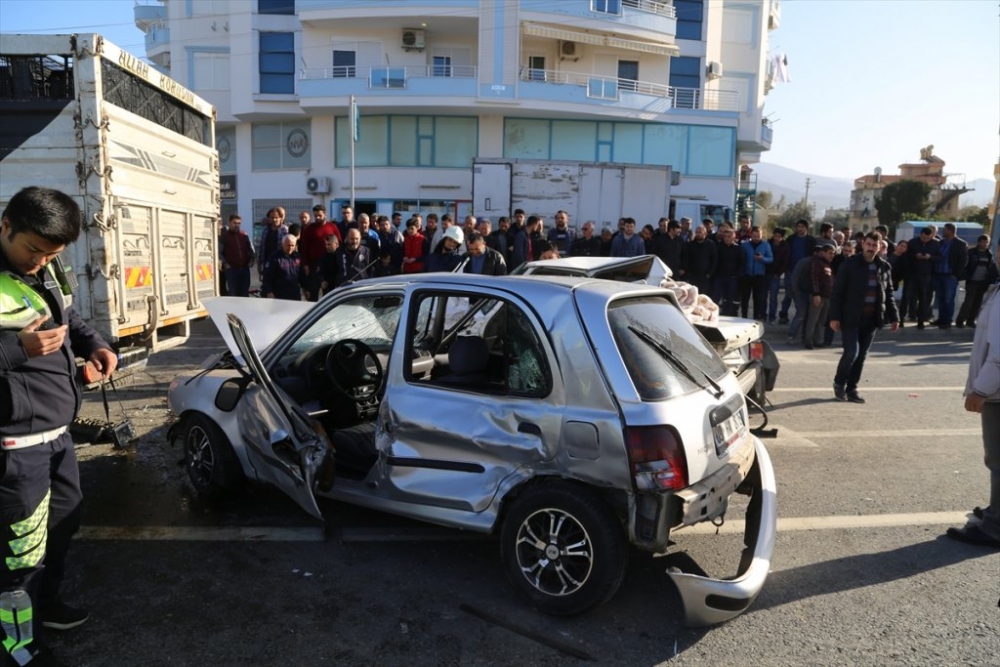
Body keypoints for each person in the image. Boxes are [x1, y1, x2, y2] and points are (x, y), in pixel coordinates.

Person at [0, 186, 119, 666]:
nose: (40, 261)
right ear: (5, 225)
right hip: (14, 447)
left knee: (62, 525)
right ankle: (17, 648)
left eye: (51, 254)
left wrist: (97, 345)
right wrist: (16, 350)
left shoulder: (46, 266)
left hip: (57, 438)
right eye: (33, 250)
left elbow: (69, 318)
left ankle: (43, 609)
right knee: (19, 556)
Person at [946, 246, 1000, 548]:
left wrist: (981, 389)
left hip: (996, 392)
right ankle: (996, 512)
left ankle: (995, 528)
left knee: (998, 459)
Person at [829, 231, 899, 403]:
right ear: (862, 245)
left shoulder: (884, 267)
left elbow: (888, 293)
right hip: (850, 317)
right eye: (868, 244)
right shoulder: (850, 264)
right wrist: (834, 317)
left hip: (871, 319)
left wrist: (894, 316)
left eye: (875, 245)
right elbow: (837, 292)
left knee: (861, 356)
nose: (871, 248)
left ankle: (852, 388)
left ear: (880, 247)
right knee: (851, 352)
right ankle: (839, 383)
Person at [298, 205, 339, 301]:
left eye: (319, 215)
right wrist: (305, 264)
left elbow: (339, 243)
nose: (317, 218)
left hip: (329, 265)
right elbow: (304, 248)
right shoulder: (309, 228)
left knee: (329, 295)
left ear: (325, 214)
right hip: (313, 265)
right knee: (312, 294)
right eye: (315, 216)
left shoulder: (332, 227)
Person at [779, 219, 816, 324]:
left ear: (806, 228)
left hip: (804, 273)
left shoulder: (811, 241)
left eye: (802, 227)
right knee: (788, 294)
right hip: (790, 271)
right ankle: (783, 315)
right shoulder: (791, 239)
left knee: (800, 296)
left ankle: (799, 316)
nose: (800, 229)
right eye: (798, 226)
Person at [932, 222, 969, 329]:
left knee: (948, 298)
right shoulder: (941, 242)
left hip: (950, 275)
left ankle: (947, 320)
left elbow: (963, 261)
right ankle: (941, 318)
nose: (943, 231)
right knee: (940, 298)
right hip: (939, 274)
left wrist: (955, 274)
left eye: (944, 229)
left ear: (950, 230)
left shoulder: (960, 244)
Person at [956, 236, 997, 328]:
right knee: (968, 301)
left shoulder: (989, 254)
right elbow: (965, 265)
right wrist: (965, 276)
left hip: (983, 282)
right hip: (972, 280)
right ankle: (960, 320)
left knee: (977, 302)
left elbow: (990, 268)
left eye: (987, 242)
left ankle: (970, 320)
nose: (985, 244)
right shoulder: (971, 252)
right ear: (979, 242)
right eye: (983, 242)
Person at [802, 241, 836, 349]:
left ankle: (816, 340)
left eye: (833, 253)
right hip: (818, 296)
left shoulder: (828, 265)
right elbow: (814, 279)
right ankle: (808, 341)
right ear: (823, 253)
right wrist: (815, 294)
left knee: (821, 320)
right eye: (829, 253)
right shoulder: (817, 263)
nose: (832, 255)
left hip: (827, 296)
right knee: (813, 319)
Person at [738, 226, 772, 320]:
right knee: (745, 298)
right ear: (751, 235)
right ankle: (744, 317)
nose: (756, 238)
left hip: (759, 276)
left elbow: (771, 259)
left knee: (758, 299)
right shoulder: (745, 245)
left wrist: (762, 259)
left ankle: (755, 318)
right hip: (747, 275)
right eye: (754, 236)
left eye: (758, 236)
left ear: (761, 235)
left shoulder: (766, 245)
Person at [219, 213, 256, 297]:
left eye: (238, 223)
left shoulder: (244, 235)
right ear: (229, 223)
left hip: (244, 270)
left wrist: (252, 260)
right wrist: (225, 264)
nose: (236, 225)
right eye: (234, 223)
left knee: (244, 293)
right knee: (233, 293)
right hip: (232, 270)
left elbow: (252, 250)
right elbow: (219, 252)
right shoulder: (225, 236)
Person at [261, 234, 304, 300]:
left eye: (292, 245)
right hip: (279, 294)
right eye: (288, 245)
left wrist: (306, 288)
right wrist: (269, 291)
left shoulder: (298, 257)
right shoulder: (274, 257)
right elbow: (267, 276)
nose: (290, 248)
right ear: (282, 244)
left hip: (294, 294)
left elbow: (302, 275)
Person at [682, 223, 718, 298]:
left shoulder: (710, 245)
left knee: (703, 297)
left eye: (700, 232)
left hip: (705, 277)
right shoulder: (690, 245)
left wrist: (709, 274)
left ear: (705, 233)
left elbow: (714, 260)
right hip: (692, 276)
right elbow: (686, 259)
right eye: (697, 232)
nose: (698, 234)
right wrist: (688, 273)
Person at [256, 206, 287, 281]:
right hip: (267, 262)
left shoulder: (285, 230)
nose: (274, 219)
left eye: (276, 217)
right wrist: (259, 265)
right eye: (272, 217)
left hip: (281, 263)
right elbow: (261, 248)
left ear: (281, 218)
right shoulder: (265, 230)